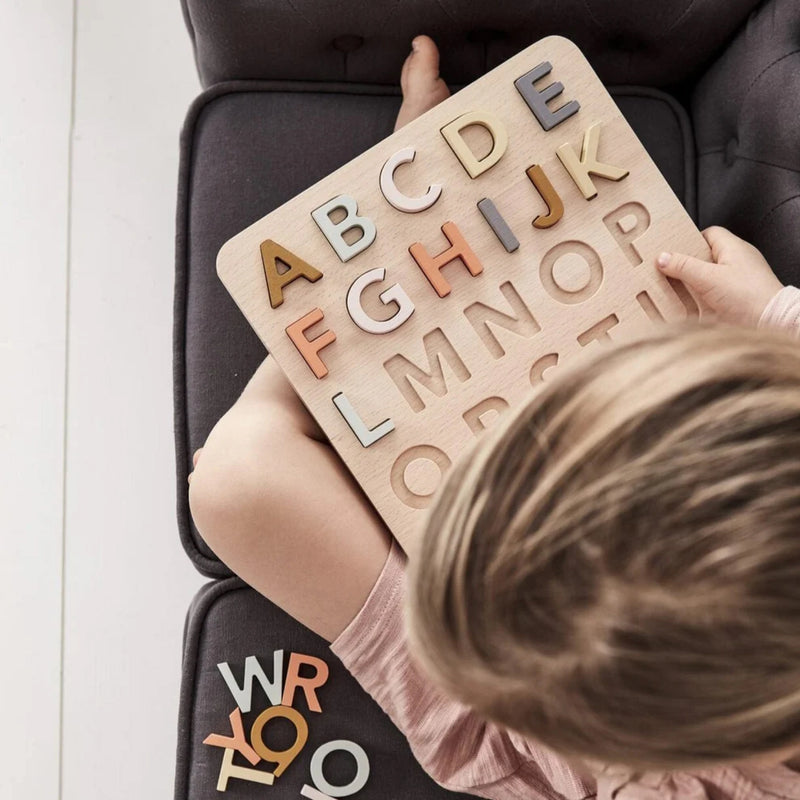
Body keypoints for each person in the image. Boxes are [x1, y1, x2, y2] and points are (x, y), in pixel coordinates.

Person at [187, 35, 800, 800]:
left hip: (543, 714)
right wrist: (777, 318)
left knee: (235, 486)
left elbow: (482, 731)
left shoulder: (645, 772)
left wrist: (381, 249)